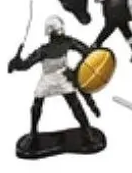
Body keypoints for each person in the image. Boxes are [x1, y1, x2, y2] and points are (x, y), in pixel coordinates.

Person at [7, 16, 99, 149]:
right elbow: (86, 51)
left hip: (59, 78)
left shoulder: (43, 50)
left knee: (62, 105)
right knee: (68, 105)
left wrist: (16, 64)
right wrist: (17, 64)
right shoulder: (63, 43)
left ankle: (87, 131)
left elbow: (25, 65)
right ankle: (34, 134)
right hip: (52, 79)